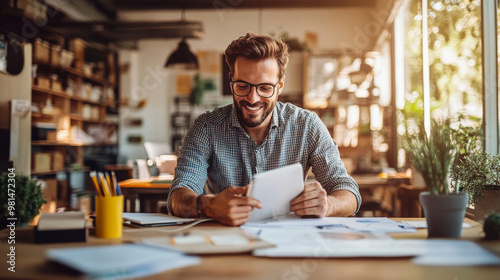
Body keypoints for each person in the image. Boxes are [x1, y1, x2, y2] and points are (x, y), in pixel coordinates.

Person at [167, 32, 361, 226]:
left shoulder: (307, 125)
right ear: (231, 80)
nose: (253, 99)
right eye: (242, 86)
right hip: (226, 239)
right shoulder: (206, 127)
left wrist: (328, 204)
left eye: (265, 88)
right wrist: (208, 206)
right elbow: (179, 195)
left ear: (280, 86)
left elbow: (348, 191)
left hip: (290, 241)